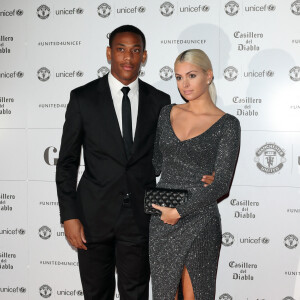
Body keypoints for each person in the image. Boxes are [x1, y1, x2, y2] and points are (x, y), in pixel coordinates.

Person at [56, 26, 215, 300]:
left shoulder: (161, 102)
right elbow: (67, 162)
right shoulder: (82, 98)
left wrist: (205, 173)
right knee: (96, 294)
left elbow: (172, 155)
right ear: (109, 53)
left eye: (135, 50)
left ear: (144, 56)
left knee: (137, 294)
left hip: (142, 219)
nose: (128, 57)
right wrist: (69, 216)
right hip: (93, 217)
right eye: (121, 49)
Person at [149, 49, 241, 300]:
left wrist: (178, 213)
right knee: (165, 294)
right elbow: (155, 165)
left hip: (199, 218)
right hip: (162, 219)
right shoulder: (166, 113)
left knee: (196, 295)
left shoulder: (227, 124)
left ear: (208, 76)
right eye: (179, 77)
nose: (184, 84)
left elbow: (221, 183)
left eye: (191, 75)